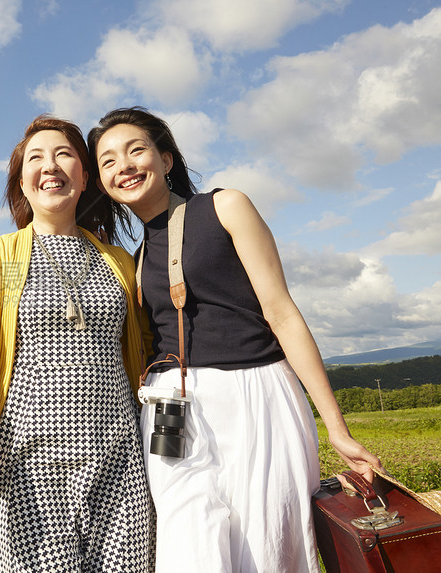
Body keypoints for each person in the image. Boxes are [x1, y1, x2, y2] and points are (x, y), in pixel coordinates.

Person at [87, 107, 381, 573]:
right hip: (169, 406)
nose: (123, 165)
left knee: (266, 549)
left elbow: (282, 314)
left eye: (135, 150)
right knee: (187, 551)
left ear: (165, 160)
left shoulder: (226, 206)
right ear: (101, 181)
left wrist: (336, 429)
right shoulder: (136, 259)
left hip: (255, 394)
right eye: (107, 160)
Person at [0, 114, 155, 572]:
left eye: (64, 155)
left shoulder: (119, 261)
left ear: (85, 176)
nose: (51, 166)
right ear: (22, 181)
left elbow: (144, 352)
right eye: (36, 158)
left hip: (119, 466)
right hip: (24, 471)